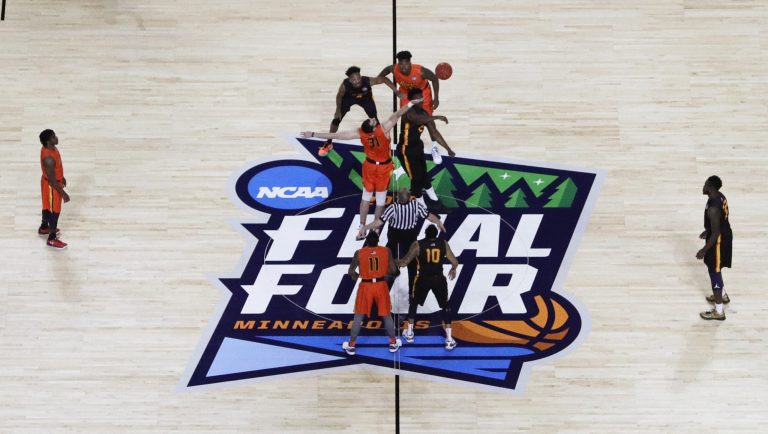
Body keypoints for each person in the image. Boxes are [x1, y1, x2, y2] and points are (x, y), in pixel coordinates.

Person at [302, 98, 423, 240]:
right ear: (373, 128)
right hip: (383, 168)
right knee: (380, 200)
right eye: (372, 121)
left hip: (369, 167)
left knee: (366, 197)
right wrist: (410, 103)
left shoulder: (361, 133)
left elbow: (337, 135)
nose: (373, 119)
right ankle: (375, 229)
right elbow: (397, 114)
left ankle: (361, 226)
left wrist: (313, 134)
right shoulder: (383, 129)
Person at [365, 187, 445, 295]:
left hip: (395, 235)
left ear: (398, 198)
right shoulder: (415, 205)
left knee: (389, 260)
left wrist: (365, 227)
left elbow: (379, 222)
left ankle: (386, 287)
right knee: (412, 264)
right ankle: (412, 291)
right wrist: (439, 222)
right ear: (409, 197)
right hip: (410, 236)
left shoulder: (393, 208)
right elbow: (429, 216)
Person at [317, 66, 403, 157]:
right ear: (350, 80)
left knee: (375, 121)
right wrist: (338, 110)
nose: (357, 81)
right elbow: (339, 96)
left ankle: (382, 143)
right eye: (354, 79)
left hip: (366, 99)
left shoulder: (367, 81)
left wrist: (396, 91)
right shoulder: (345, 85)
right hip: (349, 99)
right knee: (336, 120)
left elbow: (384, 79)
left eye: (358, 78)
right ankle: (328, 143)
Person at [397, 225, 459, 349]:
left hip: (423, 279)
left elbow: (404, 263)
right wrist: (453, 269)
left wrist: (392, 261)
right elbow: (455, 262)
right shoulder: (443, 243)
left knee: (413, 303)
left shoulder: (417, 245)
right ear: (436, 234)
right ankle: (449, 339)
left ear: (425, 234)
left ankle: (409, 333)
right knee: (445, 307)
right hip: (438, 279)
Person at [342, 231, 401, 355]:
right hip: (381, 285)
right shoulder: (386, 251)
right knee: (386, 315)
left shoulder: (359, 253)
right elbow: (393, 270)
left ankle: (351, 345)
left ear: (366, 242)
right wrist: (386, 271)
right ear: (378, 241)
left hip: (366, 286)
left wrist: (359, 276)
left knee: (358, 316)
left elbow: (351, 271)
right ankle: (393, 342)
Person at [378, 50, 445, 158]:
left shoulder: (421, 71)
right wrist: (395, 90)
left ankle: (434, 146)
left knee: (428, 120)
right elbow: (383, 74)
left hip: (422, 93)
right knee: (405, 118)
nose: (403, 67)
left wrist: (436, 98)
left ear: (410, 63)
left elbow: (434, 79)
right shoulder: (394, 68)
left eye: (406, 64)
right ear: (398, 64)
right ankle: (405, 146)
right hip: (405, 93)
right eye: (401, 64)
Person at [397, 87, 455, 208]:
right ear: (412, 101)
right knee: (416, 178)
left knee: (424, 175)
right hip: (406, 150)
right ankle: (421, 207)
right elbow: (417, 119)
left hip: (417, 147)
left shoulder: (425, 113)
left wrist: (448, 149)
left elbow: (434, 133)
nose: (420, 100)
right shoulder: (408, 112)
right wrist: (436, 117)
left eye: (421, 98)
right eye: (417, 99)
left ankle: (435, 201)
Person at [696, 175, 733, 321]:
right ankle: (722, 295)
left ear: (710, 187)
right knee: (714, 268)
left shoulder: (712, 208)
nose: (703, 186)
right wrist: (708, 230)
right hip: (722, 235)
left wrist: (704, 250)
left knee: (714, 271)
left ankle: (719, 311)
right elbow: (720, 221)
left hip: (718, 241)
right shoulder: (719, 196)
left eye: (705, 184)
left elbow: (716, 232)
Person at [39, 129, 70, 249]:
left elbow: (54, 171)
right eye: (53, 137)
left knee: (47, 206)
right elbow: (52, 180)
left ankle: (44, 227)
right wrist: (63, 193)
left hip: (49, 181)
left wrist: (62, 177)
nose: (56, 138)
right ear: (48, 141)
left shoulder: (51, 148)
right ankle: (51, 239)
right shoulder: (48, 159)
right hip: (52, 186)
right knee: (55, 211)